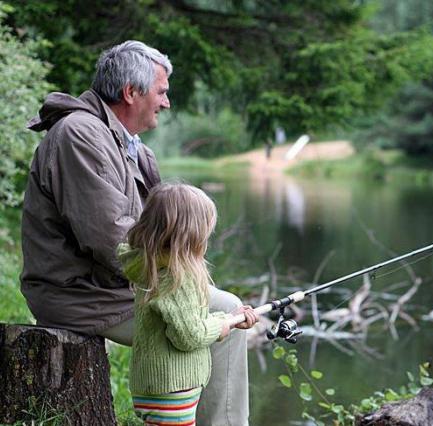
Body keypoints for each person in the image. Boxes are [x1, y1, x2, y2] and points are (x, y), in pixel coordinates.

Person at [21, 40, 252, 425]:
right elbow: (111, 240)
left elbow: (156, 234)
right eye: (161, 92)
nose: (166, 103)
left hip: (114, 287)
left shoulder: (132, 147)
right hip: (81, 295)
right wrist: (182, 282)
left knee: (213, 306)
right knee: (223, 309)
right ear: (131, 92)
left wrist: (184, 278)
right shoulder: (79, 135)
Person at [118, 183, 258, 426]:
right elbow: (189, 335)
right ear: (190, 236)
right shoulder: (176, 278)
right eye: (205, 233)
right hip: (173, 390)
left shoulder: (149, 265)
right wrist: (222, 323)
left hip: (154, 387)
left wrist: (229, 318)